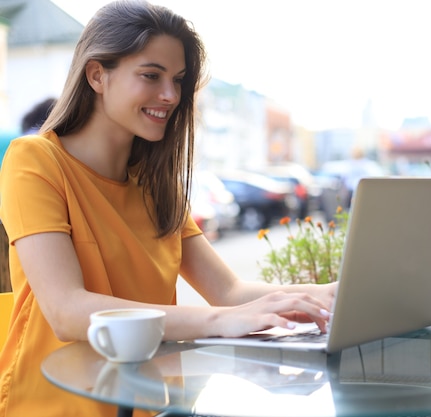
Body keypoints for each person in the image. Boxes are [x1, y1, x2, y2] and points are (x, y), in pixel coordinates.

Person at [0, 2, 335, 416]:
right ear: (97, 75)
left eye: (177, 80)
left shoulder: (157, 185)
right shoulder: (33, 160)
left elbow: (228, 292)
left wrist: (327, 296)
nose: (171, 95)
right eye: (151, 75)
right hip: (56, 404)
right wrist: (219, 321)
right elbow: (66, 311)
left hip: (150, 404)